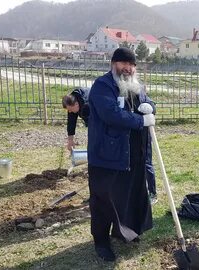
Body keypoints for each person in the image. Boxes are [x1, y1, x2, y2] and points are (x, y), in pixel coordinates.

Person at [87, 47, 155, 261]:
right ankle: (101, 242)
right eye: (123, 63)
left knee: (129, 195)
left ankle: (127, 231)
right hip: (107, 154)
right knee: (104, 199)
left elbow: (148, 101)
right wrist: (139, 120)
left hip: (132, 154)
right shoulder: (102, 85)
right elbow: (110, 114)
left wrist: (149, 107)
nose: (128, 68)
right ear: (113, 64)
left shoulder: (136, 85)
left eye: (132, 64)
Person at [62, 87, 158, 205]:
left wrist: (150, 108)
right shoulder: (99, 95)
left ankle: (152, 193)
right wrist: (71, 139)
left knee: (145, 162)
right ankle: (103, 194)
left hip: (139, 132)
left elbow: (149, 103)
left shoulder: (133, 89)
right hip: (118, 134)